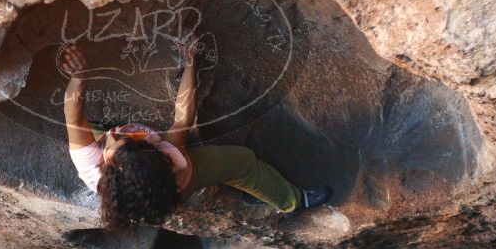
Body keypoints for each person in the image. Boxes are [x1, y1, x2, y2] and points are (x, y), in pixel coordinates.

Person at [62, 41, 331, 229]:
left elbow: (73, 116)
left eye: (120, 138)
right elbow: (182, 118)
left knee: (85, 130)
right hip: (176, 182)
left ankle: (272, 197)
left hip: (141, 180)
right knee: (243, 162)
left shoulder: (95, 160)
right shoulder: (174, 162)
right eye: (121, 138)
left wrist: (79, 77)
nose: (118, 133)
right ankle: (292, 201)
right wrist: (191, 64)